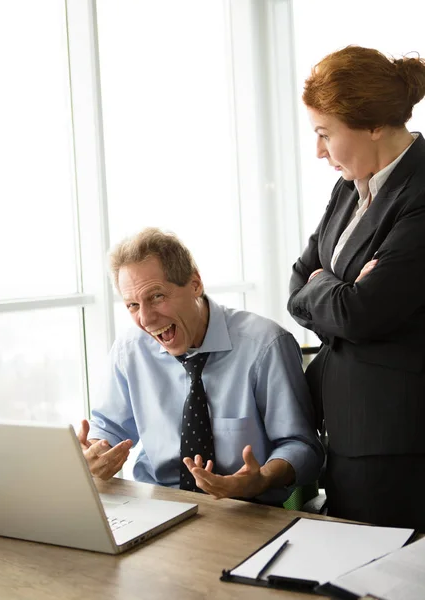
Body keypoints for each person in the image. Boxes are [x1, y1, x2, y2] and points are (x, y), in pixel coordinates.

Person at [79, 227, 323, 505]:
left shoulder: (265, 345)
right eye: (133, 305)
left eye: (157, 296)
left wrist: (263, 478)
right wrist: (96, 453)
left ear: (195, 284)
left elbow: (302, 446)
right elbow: (108, 428)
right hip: (158, 503)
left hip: (246, 510)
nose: (145, 319)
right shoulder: (130, 350)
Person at [288, 45, 425, 529]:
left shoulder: (421, 191)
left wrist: (329, 288)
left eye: (325, 134)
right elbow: (297, 281)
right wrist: (336, 287)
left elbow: (362, 312)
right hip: (343, 430)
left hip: (398, 441)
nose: (319, 151)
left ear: (372, 124)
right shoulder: (349, 185)